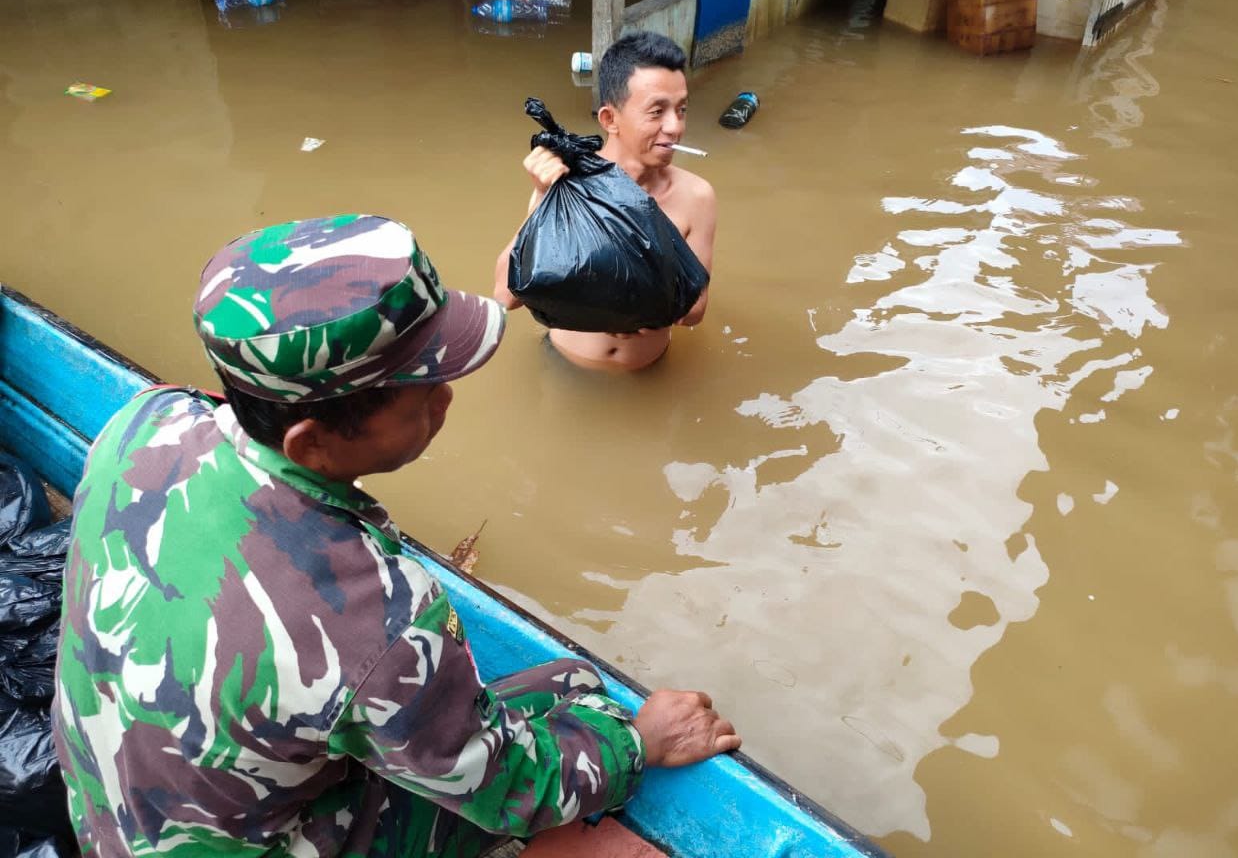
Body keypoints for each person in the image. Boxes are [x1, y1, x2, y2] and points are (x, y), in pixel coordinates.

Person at [53, 214, 740, 858]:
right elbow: (502, 788)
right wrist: (635, 743)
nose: (447, 397)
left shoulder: (145, 419)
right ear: (314, 443)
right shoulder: (378, 616)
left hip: (104, 814)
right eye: (424, 394)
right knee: (573, 691)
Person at [494, 32, 717, 371]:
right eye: (657, 111)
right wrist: (543, 195)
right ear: (610, 119)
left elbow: (695, 311)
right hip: (566, 366)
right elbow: (505, 296)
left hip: (650, 372)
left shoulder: (696, 196)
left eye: (681, 109)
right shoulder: (568, 182)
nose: (675, 126)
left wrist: (634, 309)